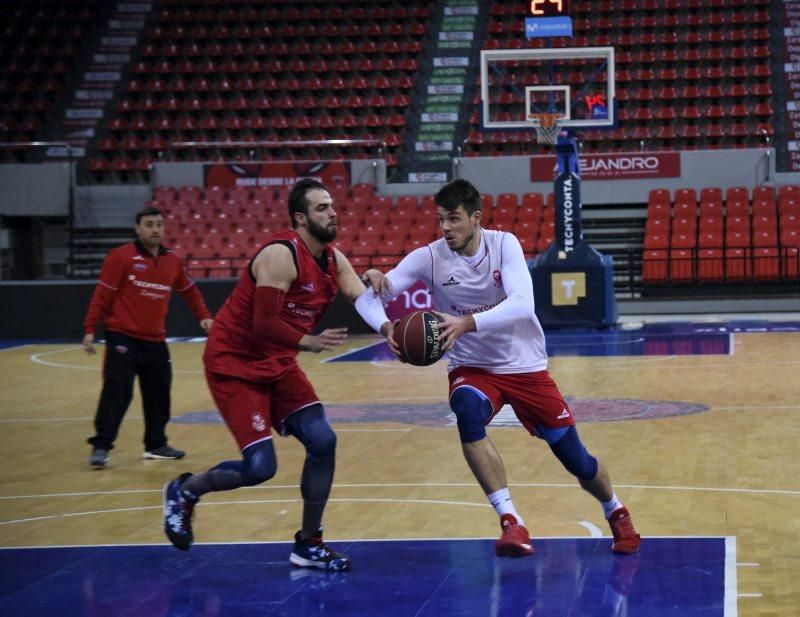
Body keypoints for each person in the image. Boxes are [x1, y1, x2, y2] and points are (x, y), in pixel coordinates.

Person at [356, 179, 641, 557]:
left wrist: (465, 323)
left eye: (454, 219)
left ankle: (616, 511)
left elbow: (523, 304)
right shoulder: (429, 256)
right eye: (441, 219)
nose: (446, 228)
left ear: (475, 218)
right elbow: (368, 298)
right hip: (472, 367)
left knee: (577, 459)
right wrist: (386, 323)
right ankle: (511, 521)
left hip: (524, 365)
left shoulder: (504, 244)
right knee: (466, 413)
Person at [163, 178, 378, 571]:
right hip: (235, 364)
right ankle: (184, 491)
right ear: (300, 218)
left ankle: (309, 543)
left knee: (323, 440)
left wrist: (387, 307)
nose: (333, 212)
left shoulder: (333, 259)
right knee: (261, 468)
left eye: (332, 206)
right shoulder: (281, 255)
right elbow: (263, 323)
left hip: (277, 363)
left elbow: (361, 297)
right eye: (321, 208)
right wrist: (308, 342)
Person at [83, 206, 213, 467]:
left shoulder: (173, 260)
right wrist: (89, 329)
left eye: (159, 224)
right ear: (138, 228)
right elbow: (102, 295)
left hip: (155, 339)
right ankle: (101, 446)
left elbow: (189, 291)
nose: (155, 229)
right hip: (122, 335)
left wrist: (204, 315)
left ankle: (156, 444)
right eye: (149, 224)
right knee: (118, 390)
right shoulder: (120, 257)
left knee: (159, 393)